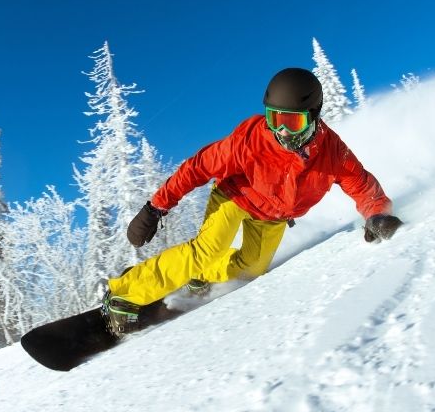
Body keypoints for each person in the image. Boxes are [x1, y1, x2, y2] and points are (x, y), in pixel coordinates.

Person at [101, 67, 403, 334]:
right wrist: (155, 207)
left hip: (273, 216)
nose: (282, 131)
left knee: (251, 269)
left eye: (292, 123)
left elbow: (359, 182)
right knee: (207, 250)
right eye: (275, 119)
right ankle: (124, 293)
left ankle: (202, 277)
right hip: (235, 197)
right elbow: (198, 167)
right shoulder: (250, 140)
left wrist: (376, 214)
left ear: (314, 116)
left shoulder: (332, 152)